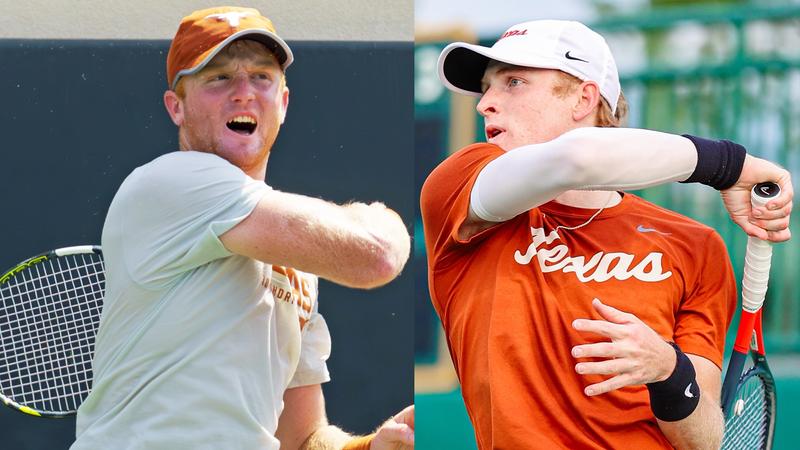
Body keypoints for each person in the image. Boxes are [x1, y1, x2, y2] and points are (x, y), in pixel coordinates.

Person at [420, 19, 792, 450]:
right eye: (487, 87)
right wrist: (730, 166)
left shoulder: (695, 245)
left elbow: (706, 439)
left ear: (584, 98)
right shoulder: (457, 188)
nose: (485, 104)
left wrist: (668, 369)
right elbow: (578, 158)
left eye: (514, 82)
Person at [72, 7, 413, 450]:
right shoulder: (171, 182)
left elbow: (303, 438)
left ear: (284, 103)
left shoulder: (296, 258)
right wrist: (384, 218)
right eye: (218, 78)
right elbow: (376, 256)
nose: (243, 93)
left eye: (260, 76)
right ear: (176, 108)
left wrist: (374, 446)